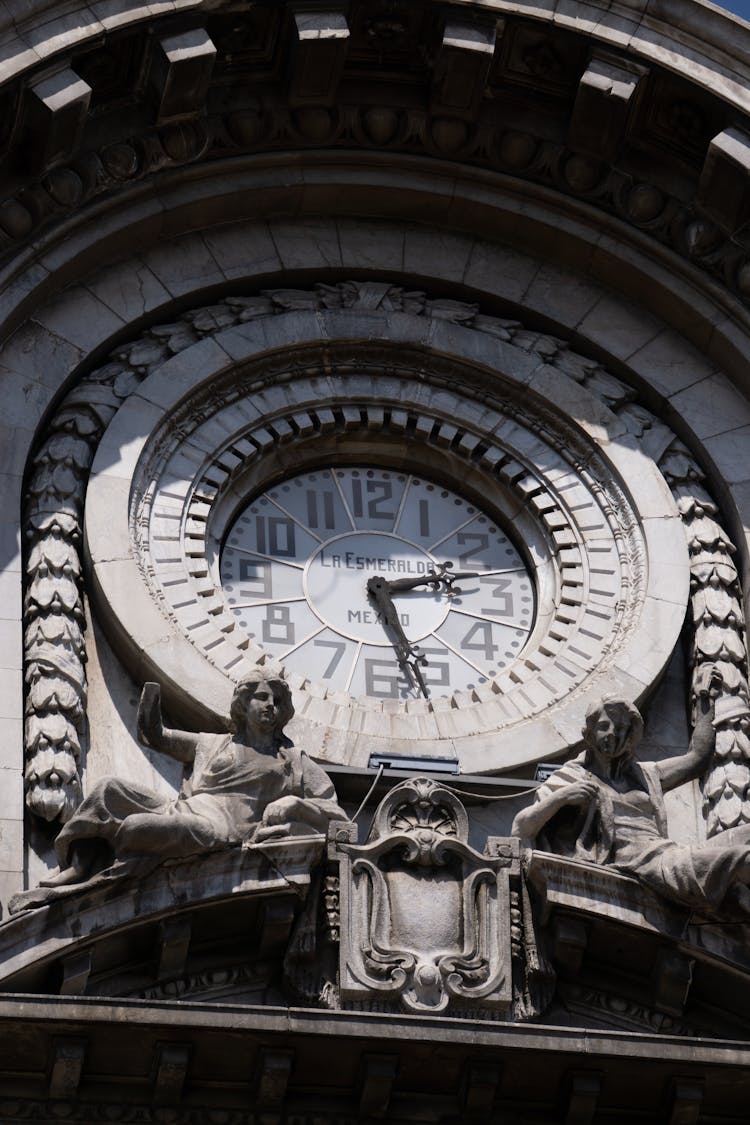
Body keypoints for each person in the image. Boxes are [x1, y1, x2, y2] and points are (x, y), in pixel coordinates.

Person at [41, 670, 348, 887]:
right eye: (262, 697)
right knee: (109, 789)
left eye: (278, 701)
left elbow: (337, 817)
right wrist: (150, 701)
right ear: (244, 703)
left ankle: (109, 861)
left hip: (220, 828)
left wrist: (296, 805)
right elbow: (156, 736)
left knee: (136, 826)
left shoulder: (293, 760)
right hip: (185, 808)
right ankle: (79, 864)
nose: (271, 705)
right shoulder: (213, 743)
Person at [511, 686, 750, 915]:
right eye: (604, 726)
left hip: (666, 852)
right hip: (647, 864)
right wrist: (563, 796)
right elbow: (521, 827)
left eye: (621, 728)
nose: (612, 734)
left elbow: (698, 758)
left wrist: (704, 698)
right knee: (743, 858)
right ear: (589, 733)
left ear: (630, 735)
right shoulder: (572, 777)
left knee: (745, 835)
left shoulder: (647, 774)